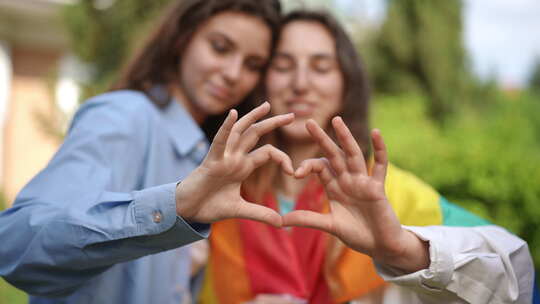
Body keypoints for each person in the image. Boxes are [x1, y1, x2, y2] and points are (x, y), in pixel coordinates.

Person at [200, 9, 534, 304]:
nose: (300, 83)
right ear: (262, 81)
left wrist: (405, 250)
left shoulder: (390, 194)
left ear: (347, 82)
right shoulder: (224, 198)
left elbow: (515, 274)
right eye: (283, 66)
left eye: (321, 67)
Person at [0, 0, 295, 303]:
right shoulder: (124, 116)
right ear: (182, 38)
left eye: (253, 65)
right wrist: (173, 207)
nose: (234, 73)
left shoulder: (207, 159)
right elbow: (17, 245)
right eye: (220, 47)